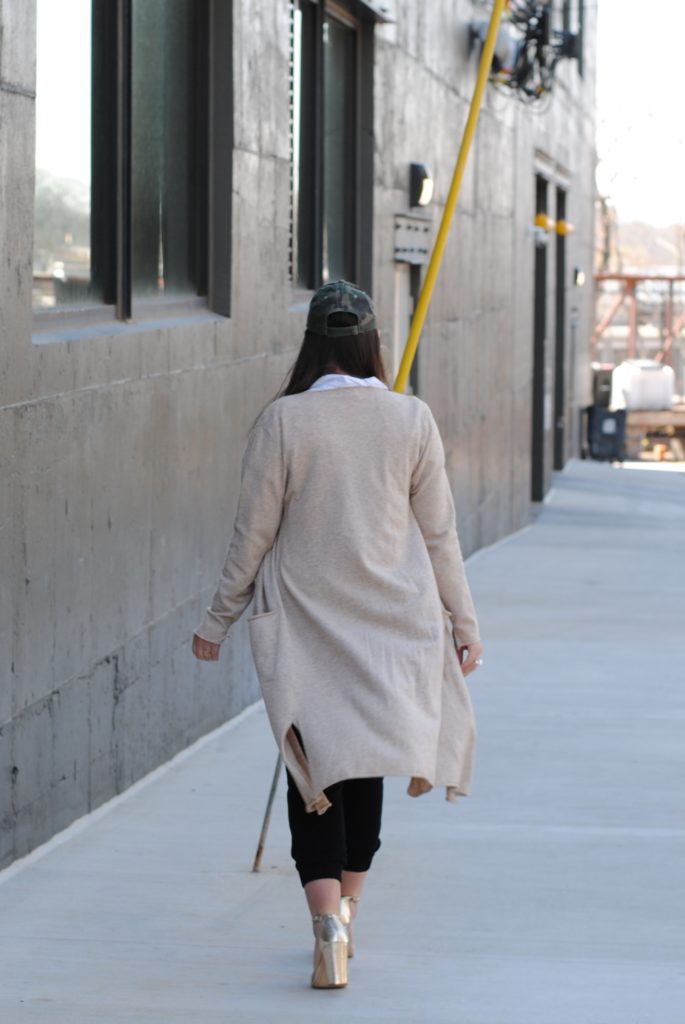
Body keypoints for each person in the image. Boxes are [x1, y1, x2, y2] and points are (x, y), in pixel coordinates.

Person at [192, 280, 483, 990]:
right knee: (367, 764)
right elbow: (439, 533)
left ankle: (323, 921)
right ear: (368, 344)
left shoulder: (283, 422)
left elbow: (251, 536)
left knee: (314, 771)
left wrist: (217, 618)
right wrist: (464, 624)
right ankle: (347, 914)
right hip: (395, 621)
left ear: (312, 345)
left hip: (305, 622)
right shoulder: (411, 419)